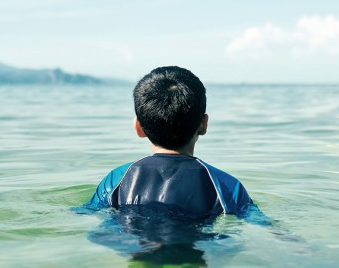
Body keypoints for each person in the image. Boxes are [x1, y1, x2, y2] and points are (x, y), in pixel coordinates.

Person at [85, 66, 255, 217]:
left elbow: (84, 214)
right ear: (203, 125)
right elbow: (264, 225)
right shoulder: (227, 187)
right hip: (195, 252)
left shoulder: (117, 179)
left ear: (139, 127)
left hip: (135, 250)